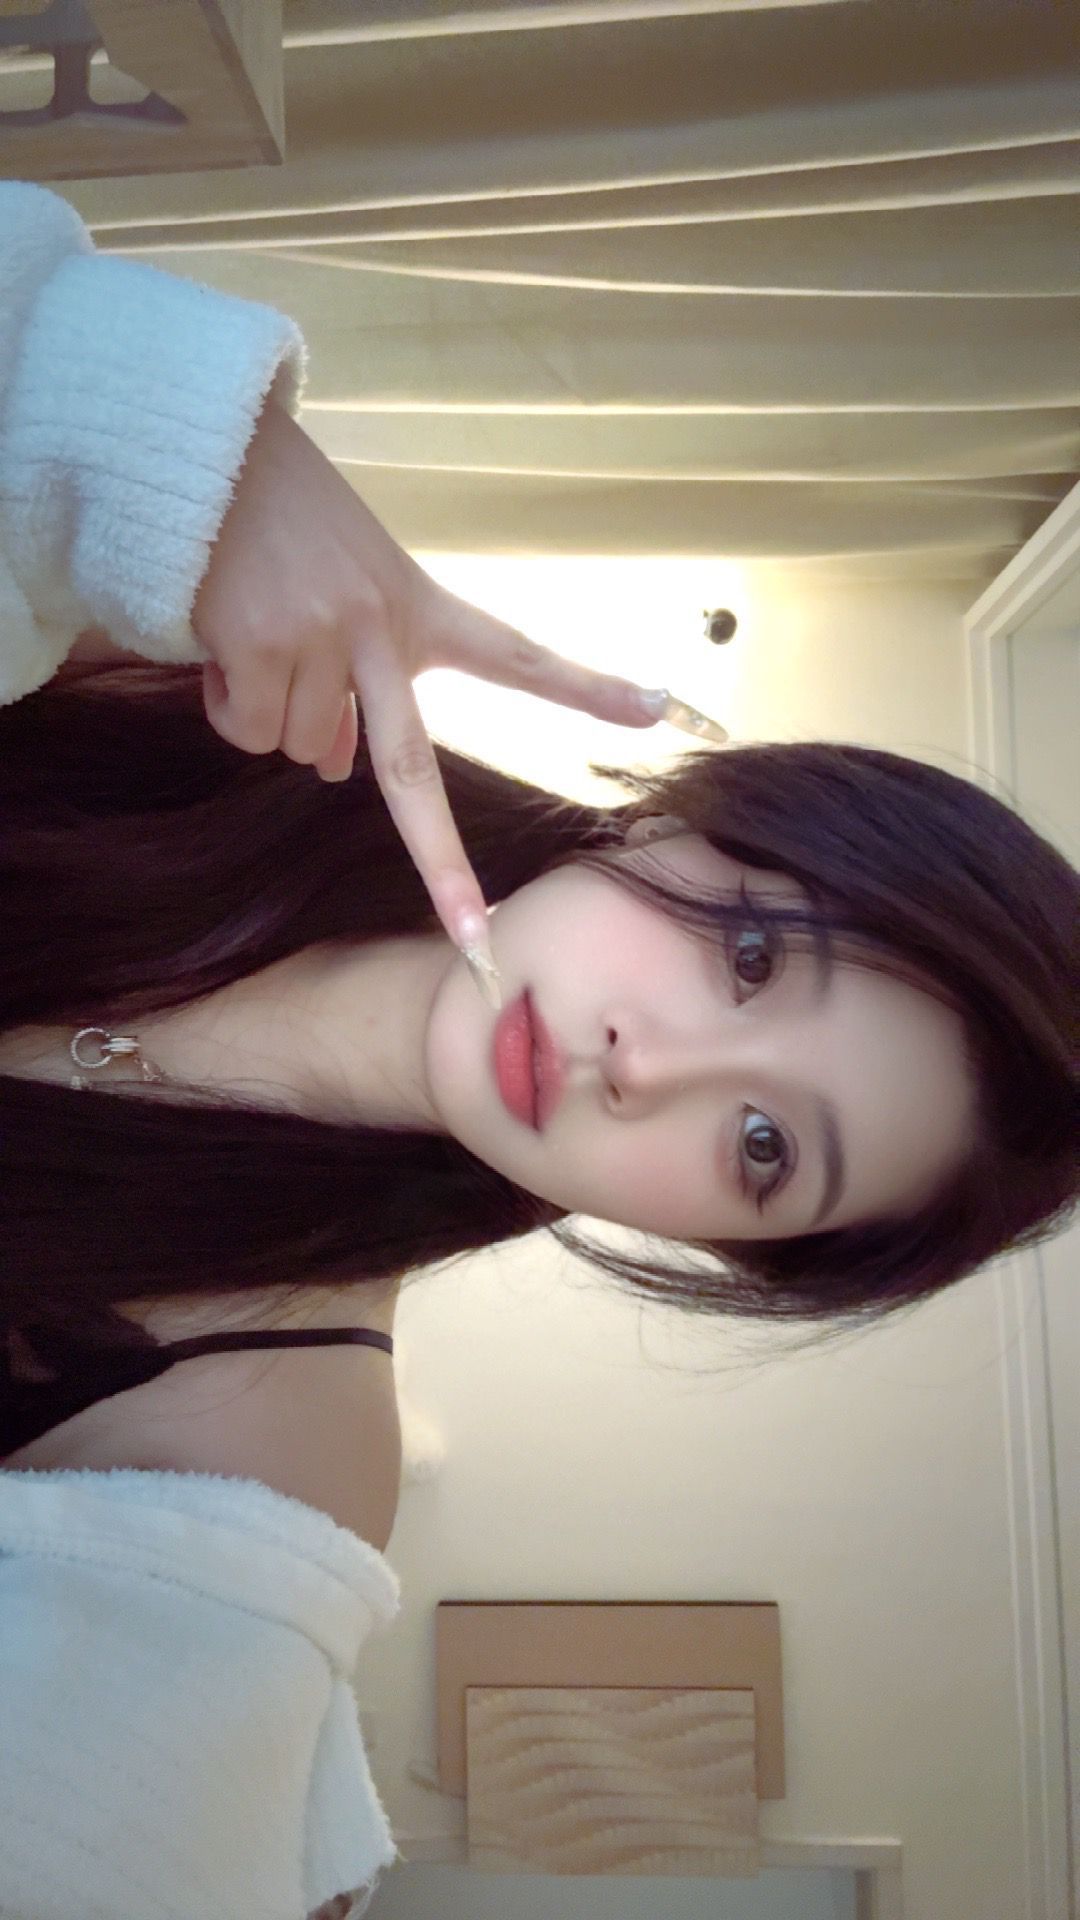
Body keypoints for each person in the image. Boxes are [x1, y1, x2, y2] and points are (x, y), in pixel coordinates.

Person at [0, 181, 1076, 1920]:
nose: (650, 1070)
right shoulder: (207, 677)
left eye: (762, 1150)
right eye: (751, 956)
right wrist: (152, 423)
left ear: (723, 1248)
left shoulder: (267, 1449)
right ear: (701, 817)